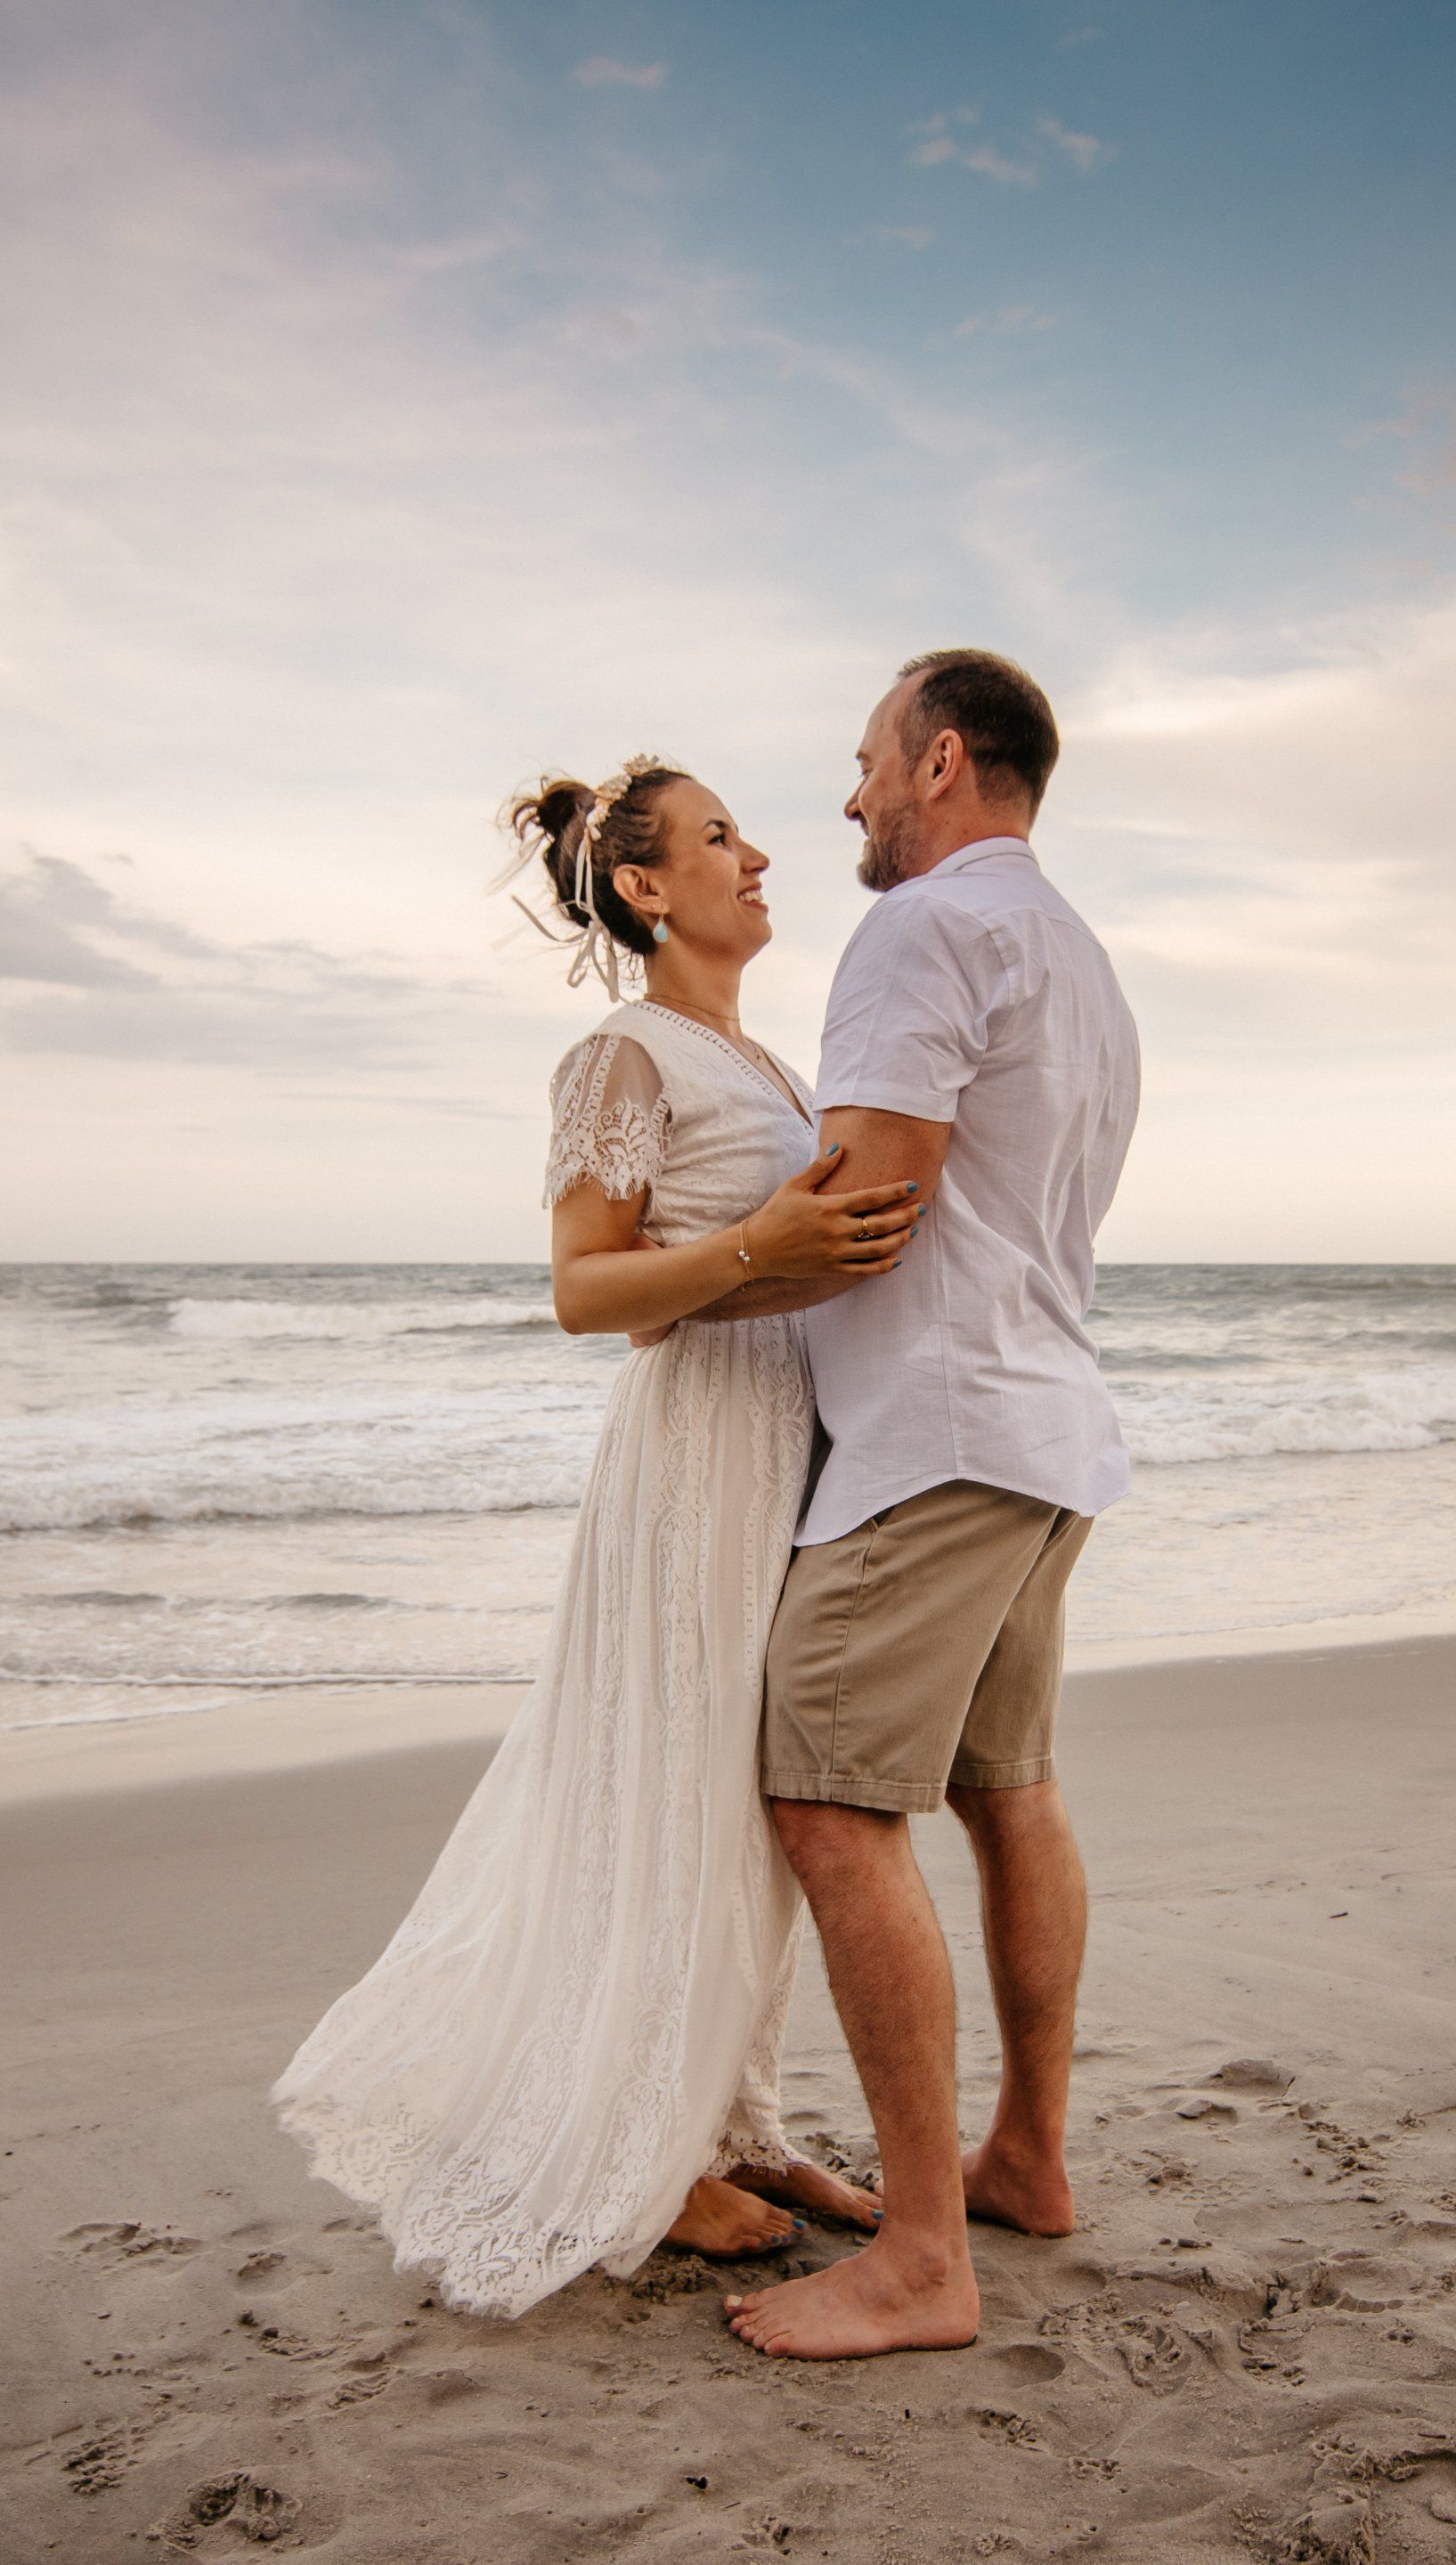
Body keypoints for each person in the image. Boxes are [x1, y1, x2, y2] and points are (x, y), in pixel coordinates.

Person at [272, 755, 915, 2315]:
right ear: (643, 887)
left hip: (789, 1453)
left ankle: (738, 2122)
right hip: (697, 1462)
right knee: (679, 1789)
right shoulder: (619, 1056)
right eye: (718, 838)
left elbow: (749, 1274)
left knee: (762, 1810)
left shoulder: (757, 1061)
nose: (758, 855)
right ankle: (650, 2149)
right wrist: (766, 1240)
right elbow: (584, 1293)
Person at [714, 649, 1142, 2359]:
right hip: (1043, 1428)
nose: (851, 797)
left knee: (826, 1803)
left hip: (937, 1444)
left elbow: (870, 1202)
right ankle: (1025, 2161)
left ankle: (921, 2261)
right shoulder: (1081, 954)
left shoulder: (921, 926)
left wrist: (673, 1299)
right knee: (1007, 1788)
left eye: (870, 763)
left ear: (942, 763)